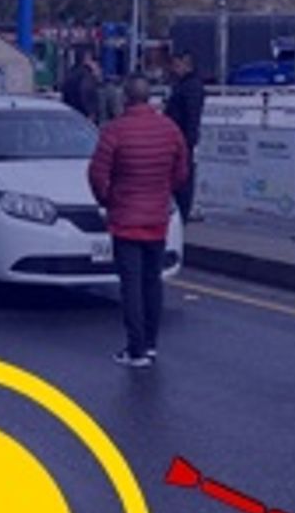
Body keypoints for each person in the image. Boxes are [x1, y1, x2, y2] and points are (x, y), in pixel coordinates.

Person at [88, 74, 188, 371]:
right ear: (150, 98)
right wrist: (163, 191)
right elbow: (181, 171)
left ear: (125, 98)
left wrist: (108, 199)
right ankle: (151, 344)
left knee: (130, 285)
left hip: (125, 218)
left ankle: (136, 348)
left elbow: (97, 174)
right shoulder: (169, 129)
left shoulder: (114, 131)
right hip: (156, 216)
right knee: (152, 282)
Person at [164, 51, 206, 223]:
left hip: (182, 140)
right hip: (177, 139)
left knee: (183, 179)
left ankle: (182, 213)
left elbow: (191, 116)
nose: (174, 69)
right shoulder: (182, 85)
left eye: (177, 65)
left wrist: (188, 141)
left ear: (186, 65)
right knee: (178, 177)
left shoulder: (191, 87)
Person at [61, 50, 100, 122]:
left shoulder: (71, 73)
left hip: (72, 111)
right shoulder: (86, 75)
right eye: (92, 59)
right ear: (86, 59)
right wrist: (90, 112)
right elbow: (85, 92)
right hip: (83, 113)